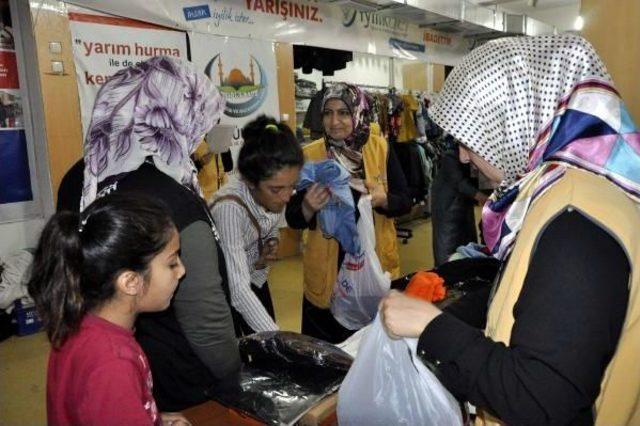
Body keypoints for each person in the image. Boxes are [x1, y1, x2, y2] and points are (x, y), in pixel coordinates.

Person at [380, 34, 640, 425]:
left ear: (514, 120)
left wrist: (432, 328)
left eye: (470, 137)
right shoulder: (566, 192)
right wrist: (452, 312)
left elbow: (543, 403)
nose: (464, 155)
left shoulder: (577, 221)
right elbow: (535, 302)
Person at [57, 56, 240, 411]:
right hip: (181, 386)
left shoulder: (82, 177)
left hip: (97, 359)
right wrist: (233, 373)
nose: (201, 137)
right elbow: (206, 321)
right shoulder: (174, 200)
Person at [28, 193, 190, 426]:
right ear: (130, 282)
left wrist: (151, 418)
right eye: (172, 262)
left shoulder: (81, 322)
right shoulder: (113, 363)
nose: (181, 271)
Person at [287, 83, 411, 343]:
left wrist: (383, 199)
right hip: (327, 275)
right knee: (328, 358)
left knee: (371, 351)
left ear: (358, 113)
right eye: (328, 113)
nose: (335, 122)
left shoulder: (380, 149)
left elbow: (405, 201)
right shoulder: (309, 155)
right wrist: (308, 205)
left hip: (371, 273)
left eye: (343, 113)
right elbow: (293, 217)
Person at [209, 116, 304, 335]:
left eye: (292, 186)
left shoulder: (271, 193)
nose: (287, 196)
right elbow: (238, 291)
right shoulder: (229, 209)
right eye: (276, 189)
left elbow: (270, 225)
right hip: (228, 295)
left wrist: (270, 242)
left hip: (255, 278)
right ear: (250, 181)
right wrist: (279, 340)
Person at [431, 137, 487, 266]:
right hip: (446, 207)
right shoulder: (450, 157)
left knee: (466, 243)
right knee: (446, 248)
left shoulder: (473, 155)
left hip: (463, 204)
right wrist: (484, 198)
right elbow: (460, 183)